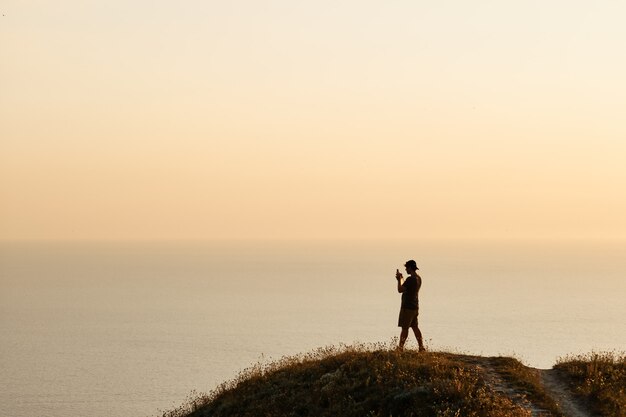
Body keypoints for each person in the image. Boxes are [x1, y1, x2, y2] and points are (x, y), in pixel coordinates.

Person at [395, 259, 425, 351]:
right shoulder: (418, 278)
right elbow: (408, 288)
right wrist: (402, 279)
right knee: (415, 327)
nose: (406, 270)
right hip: (415, 306)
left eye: (406, 268)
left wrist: (398, 279)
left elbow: (400, 289)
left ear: (410, 268)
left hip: (407, 307)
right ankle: (421, 347)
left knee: (405, 328)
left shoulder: (410, 279)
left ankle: (400, 348)